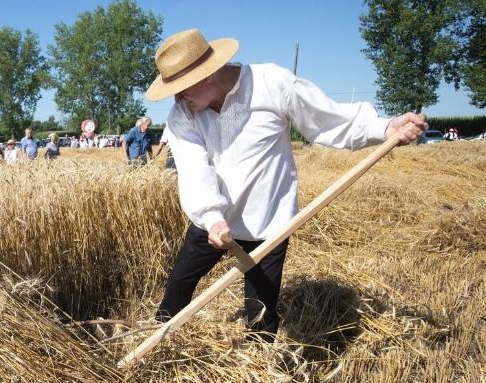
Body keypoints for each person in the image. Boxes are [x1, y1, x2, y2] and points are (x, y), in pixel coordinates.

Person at [145, 29, 427, 342]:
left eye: (182, 88)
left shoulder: (272, 84)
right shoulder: (182, 115)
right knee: (178, 287)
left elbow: (327, 119)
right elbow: (194, 169)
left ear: (207, 74)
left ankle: (257, 368)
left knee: (261, 312)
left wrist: (385, 127)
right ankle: (158, 342)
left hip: (267, 222)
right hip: (211, 224)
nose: (178, 98)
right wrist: (212, 217)